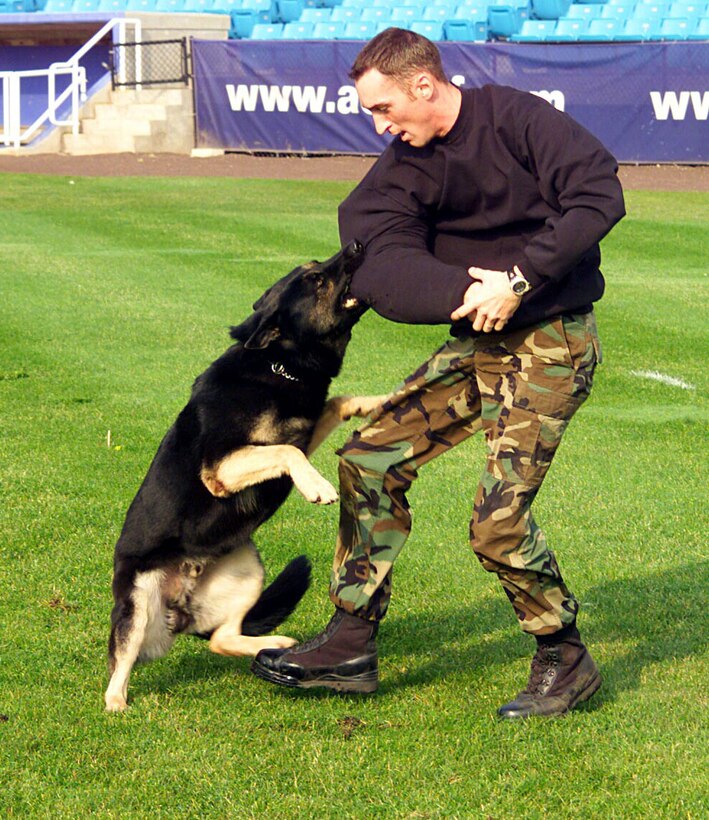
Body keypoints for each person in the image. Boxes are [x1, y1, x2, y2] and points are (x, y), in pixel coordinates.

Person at [251, 28, 626, 718]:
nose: (380, 126)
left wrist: (516, 279)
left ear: (424, 86)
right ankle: (351, 643)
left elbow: (597, 194)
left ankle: (563, 658)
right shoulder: (404, 161)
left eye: (385, 108)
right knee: (368, 458)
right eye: (372, 113)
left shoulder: (514, 118)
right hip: (476, 340)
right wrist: (465, 290)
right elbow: (375, 247)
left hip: (550, 339)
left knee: (496, 525)